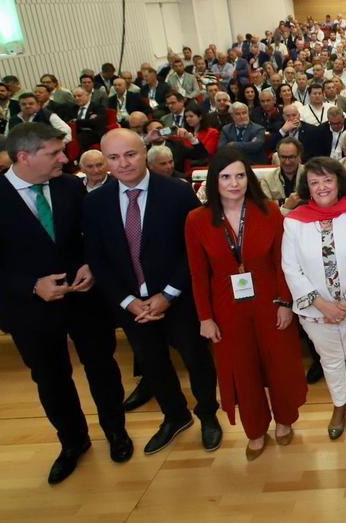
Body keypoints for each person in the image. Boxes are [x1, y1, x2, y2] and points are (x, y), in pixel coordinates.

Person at [0, 123, 131, 484]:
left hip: (84, 299)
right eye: (54, 153)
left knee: (102, 366)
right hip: (29, 310)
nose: (64, 158)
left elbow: (93, 236)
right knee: (51, 378)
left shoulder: (70, 186)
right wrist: (29, 286)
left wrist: (90, 264)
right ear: (24, 157)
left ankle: (116, 431)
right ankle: (73, 442)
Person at [84, 129, 222, 455]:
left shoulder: (177, 192)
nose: (123, 163)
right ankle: (175, 416)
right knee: (153, 363)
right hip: (132, 306)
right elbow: (97, 258)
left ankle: (207, 414)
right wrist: (129, 302)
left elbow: (192, 251)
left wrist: (168, 295)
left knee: (196, 359)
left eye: (129, 154)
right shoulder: (94, 202)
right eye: (113, 158)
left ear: (144, 151)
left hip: (179, 299)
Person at [186, 149, 306, 459]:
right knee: (242, 368)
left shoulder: (268, 210)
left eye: (240, 175)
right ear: (215, 181)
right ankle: (254, 429)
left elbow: (283, 262)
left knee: (277, 362)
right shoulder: (197, 220)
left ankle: (283, 420)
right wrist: (205, 317)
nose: (234, 183)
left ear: (249, 178)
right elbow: (198, 274)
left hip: (269, 298)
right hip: (226, 306)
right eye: (226, 176)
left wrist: (285, 303)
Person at [282, 157, 346, 441]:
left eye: (327, 180)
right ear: (307, 187)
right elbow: (290, 267)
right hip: (315, 310)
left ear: (339, 183)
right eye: (314, 182)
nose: (322, 187)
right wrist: (321, 304)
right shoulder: (293, 222)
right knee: (331, 359)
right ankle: (339, 405)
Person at [261, 137, 305, 213]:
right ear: (278, 156)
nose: (287, 162)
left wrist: (280, 202)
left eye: (291, 157)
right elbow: (265, 210)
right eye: (283, 157)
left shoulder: (312, 175)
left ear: (299, 156)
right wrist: (286, 206)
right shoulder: (267, 180)